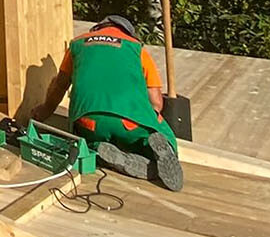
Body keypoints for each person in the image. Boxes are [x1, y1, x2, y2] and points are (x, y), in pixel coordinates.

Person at [31, 15, 183, 191]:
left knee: (86, 144)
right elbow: (156, 102)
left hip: (89, 121)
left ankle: (102, 150)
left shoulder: (77, 44)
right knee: (158, 131)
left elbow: (60, 85)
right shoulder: (136, 48)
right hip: (129, 123)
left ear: (98, 28)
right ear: (128, 33)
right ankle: (154, 149)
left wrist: (45, 110)